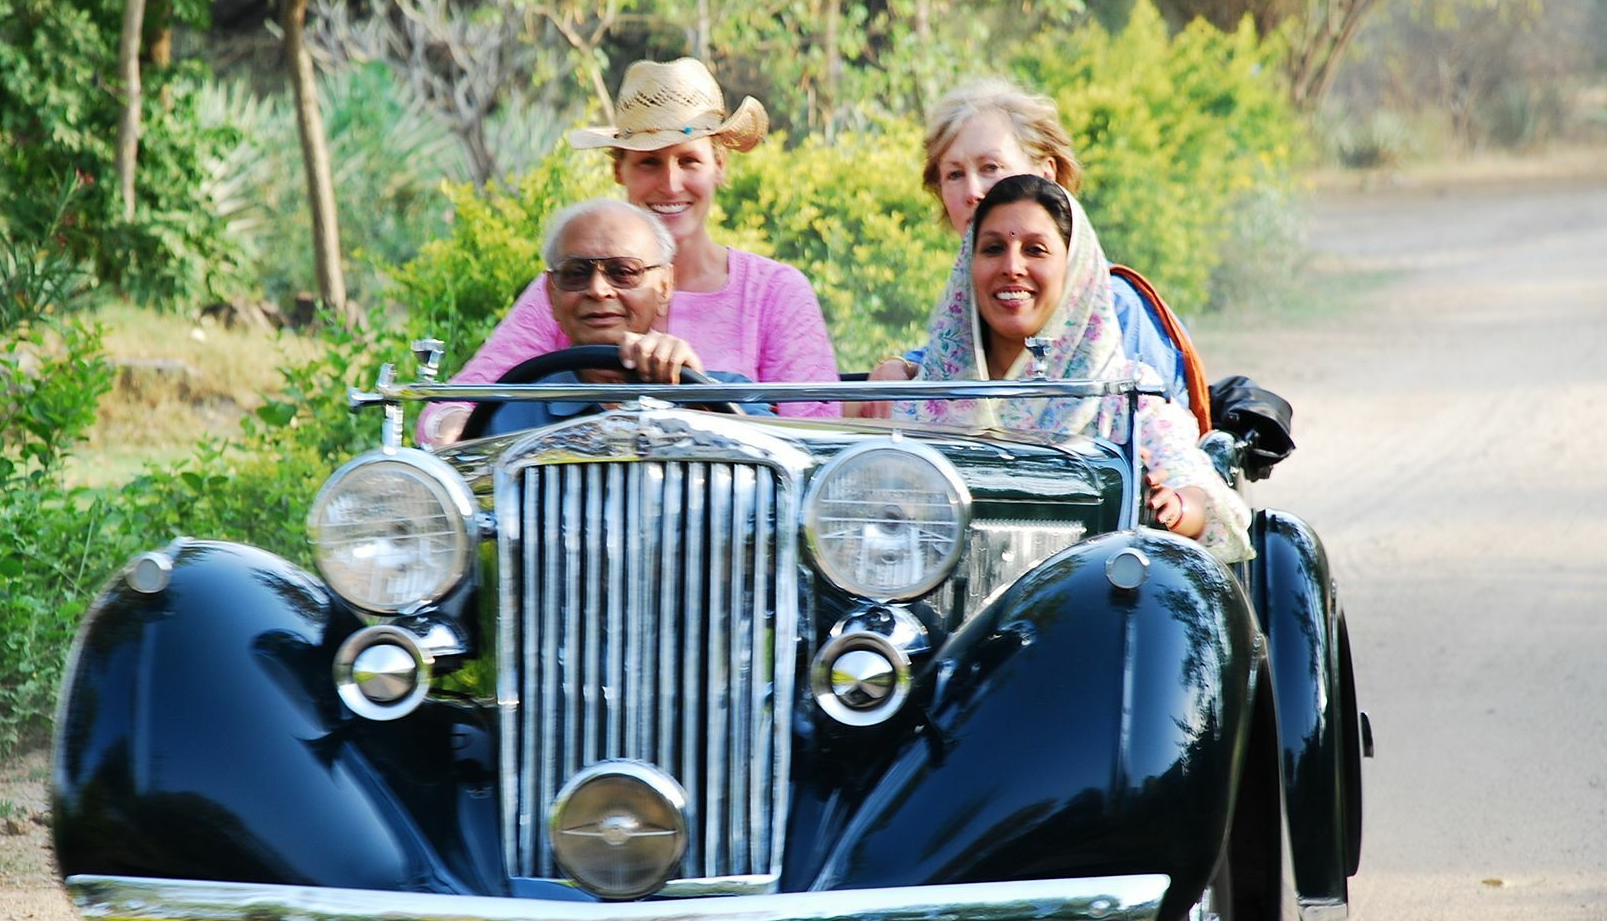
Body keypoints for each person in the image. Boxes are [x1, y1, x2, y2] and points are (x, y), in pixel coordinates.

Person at [421, 57, 838, 444]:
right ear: (619, 169)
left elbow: (818, 436)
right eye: (649, 163)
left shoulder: (775, 292)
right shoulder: (575, 285)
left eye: (688, 161)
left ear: (719, 167)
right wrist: (458, 432)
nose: (671, 185)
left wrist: (707, 391)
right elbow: (458, 405)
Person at [898, 174, 1251, 564]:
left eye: (1035, 250)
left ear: (1075, 272)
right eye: (994, 248)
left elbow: (1202, 496)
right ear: (969, 266)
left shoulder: (1120, 397)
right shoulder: (923, 399)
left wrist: (1177, 508)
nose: (1012, 266)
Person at [870, 78, 1197, 414]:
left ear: (1046, 175)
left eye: (990, 168)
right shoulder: (968, 300)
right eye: (954, 174)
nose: (972, 191)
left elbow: (1158, 437)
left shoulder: (1119, 307)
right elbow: (962, 359)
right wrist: (904, 368)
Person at [461, 198, 768, 440]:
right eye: (576, 273)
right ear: (551, 293)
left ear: (664, 287)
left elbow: (782, 478)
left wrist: (699, 398)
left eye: (623, 271)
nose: (598, 290)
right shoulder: (511, 409)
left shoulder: (732, 393)